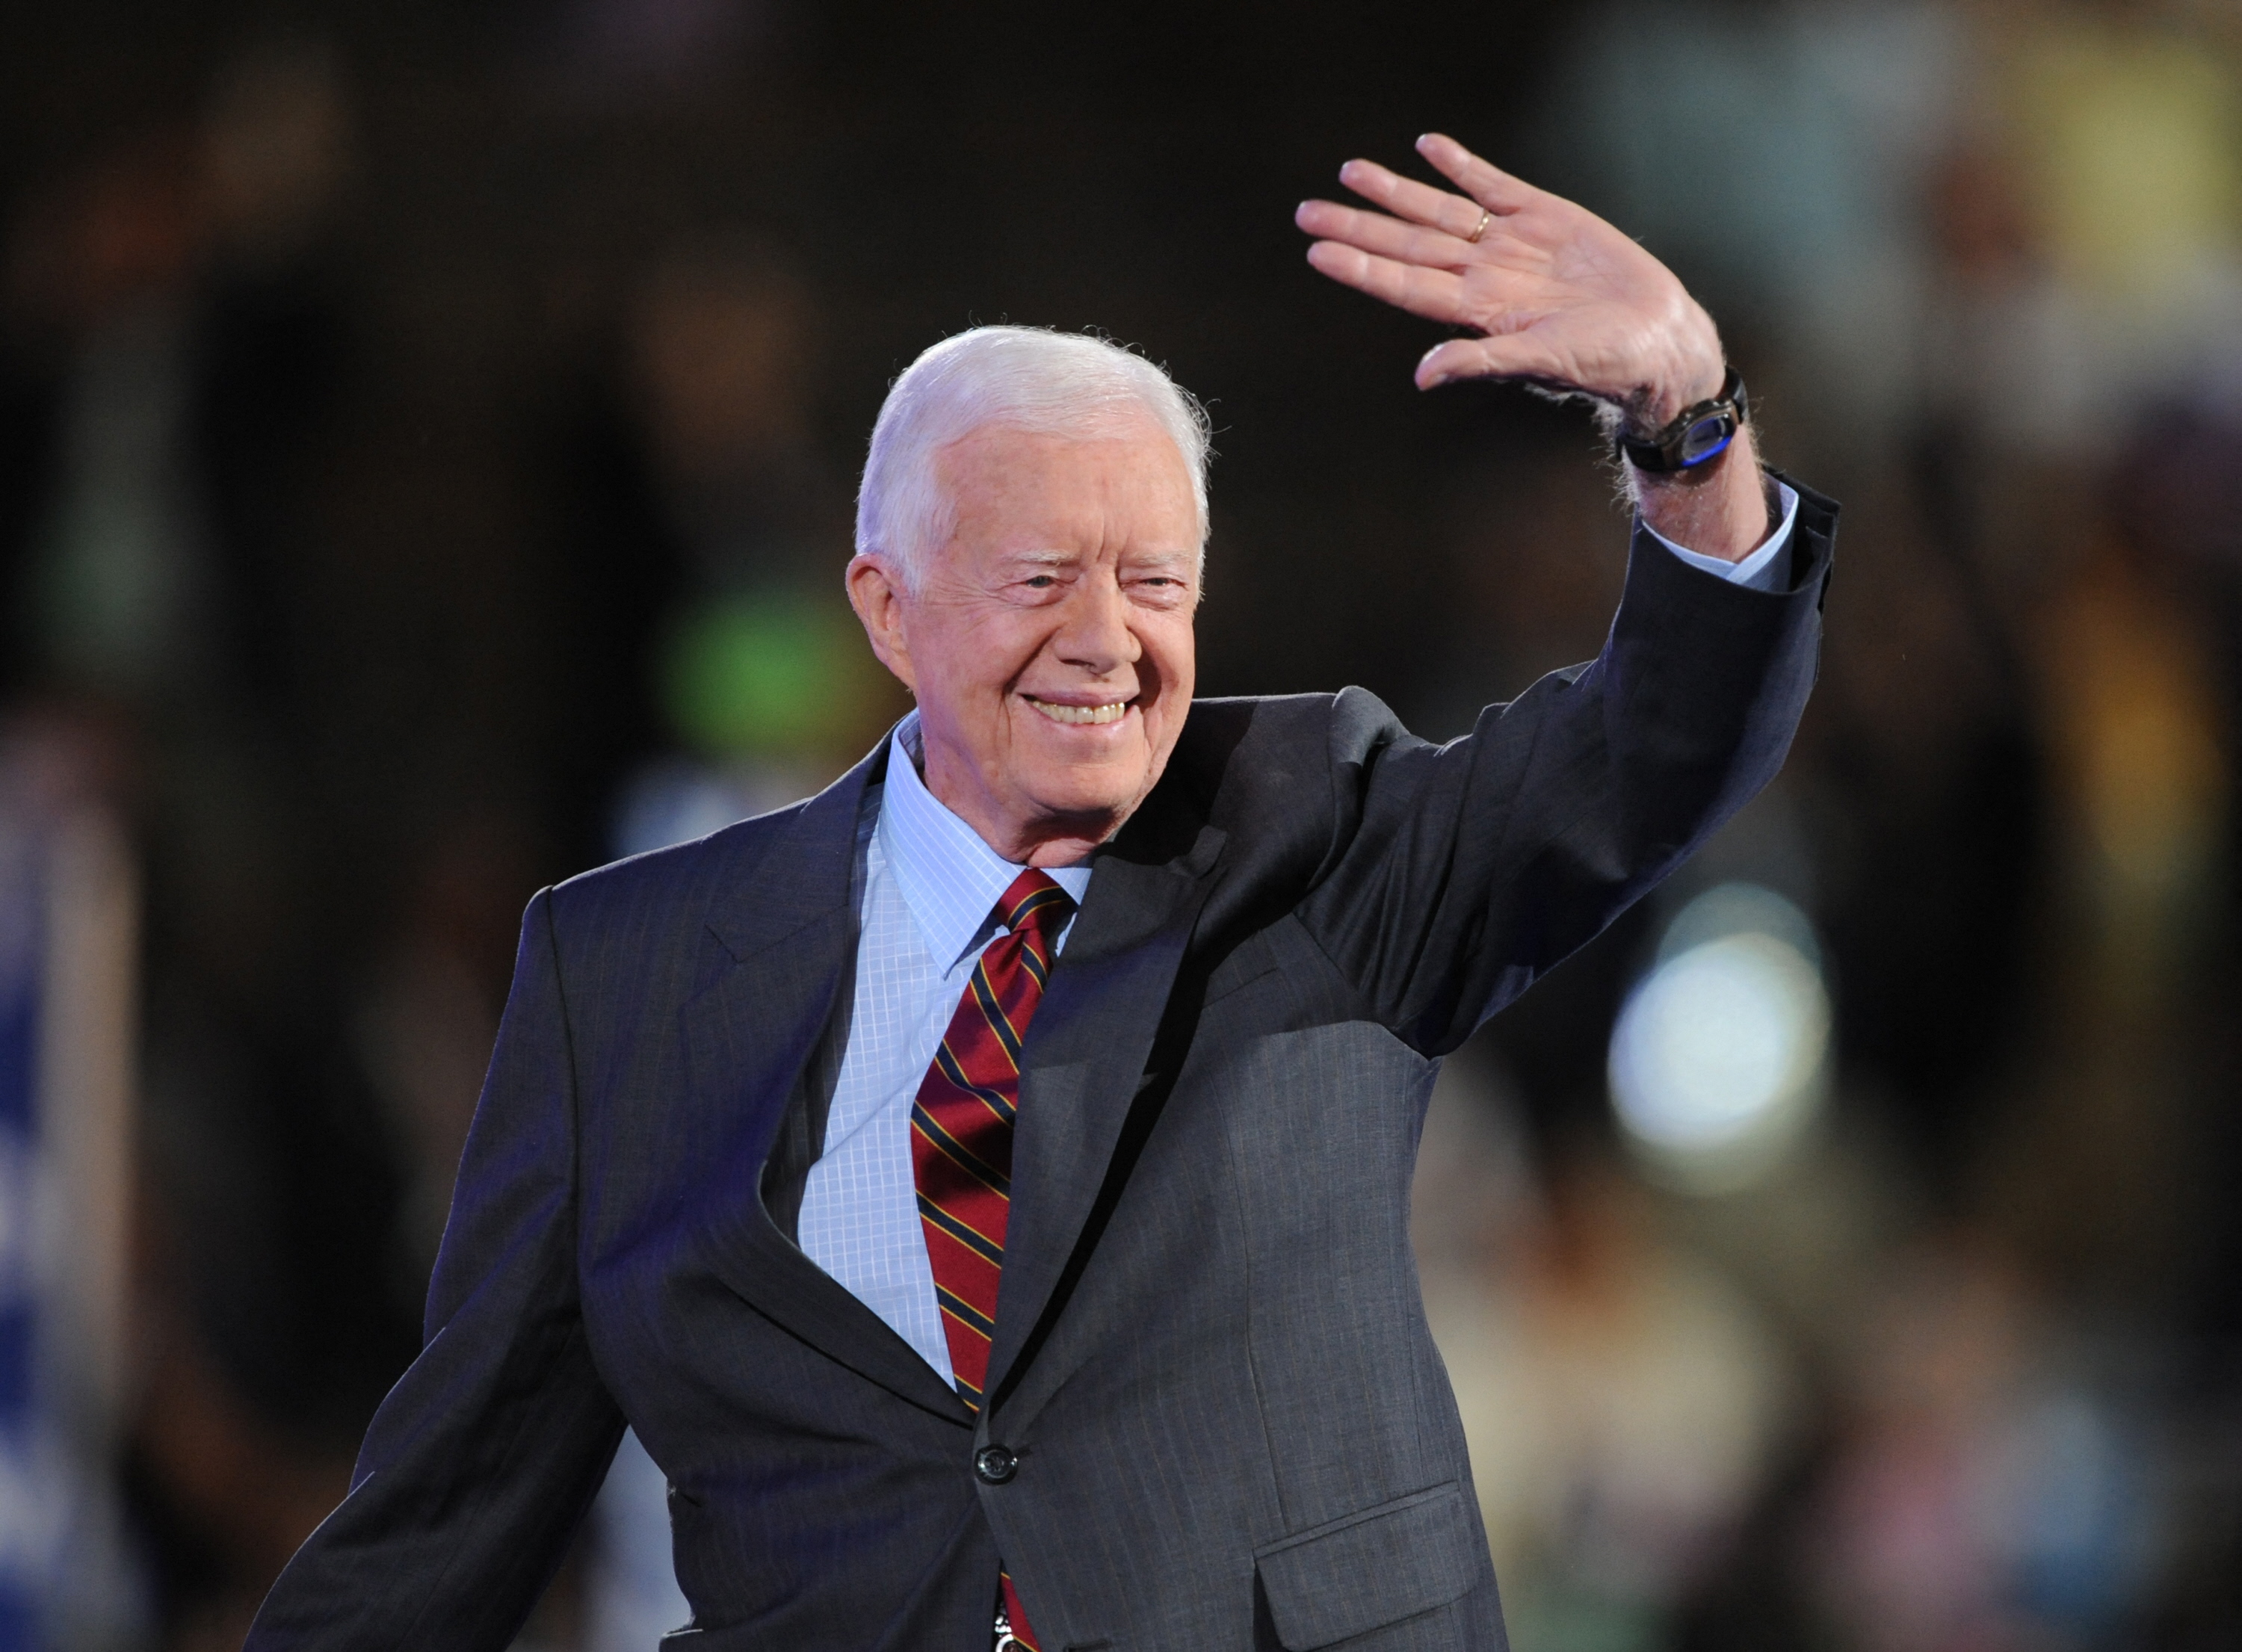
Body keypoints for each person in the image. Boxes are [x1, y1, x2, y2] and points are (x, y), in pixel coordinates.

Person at [244, 134, 1835, 1651]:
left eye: (1154, 579)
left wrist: (1689, 421)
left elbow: (1649, 750)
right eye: (1035, 577)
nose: (1106, 638)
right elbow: (445, 1519)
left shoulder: (1327, 844)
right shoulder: (625, 976)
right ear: (887, 605)